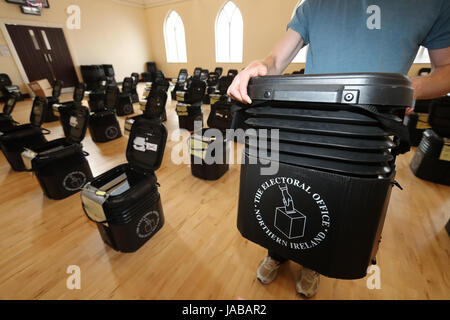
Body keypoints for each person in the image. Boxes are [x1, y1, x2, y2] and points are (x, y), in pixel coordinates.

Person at [228, 0, 450, 298]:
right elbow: (276, 60)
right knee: (290, 188)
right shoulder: (314, 4)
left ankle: (312, 264)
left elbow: (446, 71)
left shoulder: (433, 4)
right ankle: (277, 252)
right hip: (308, 123)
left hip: (366, 131)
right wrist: (261, 66)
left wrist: (407, 89)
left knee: (332, 205)